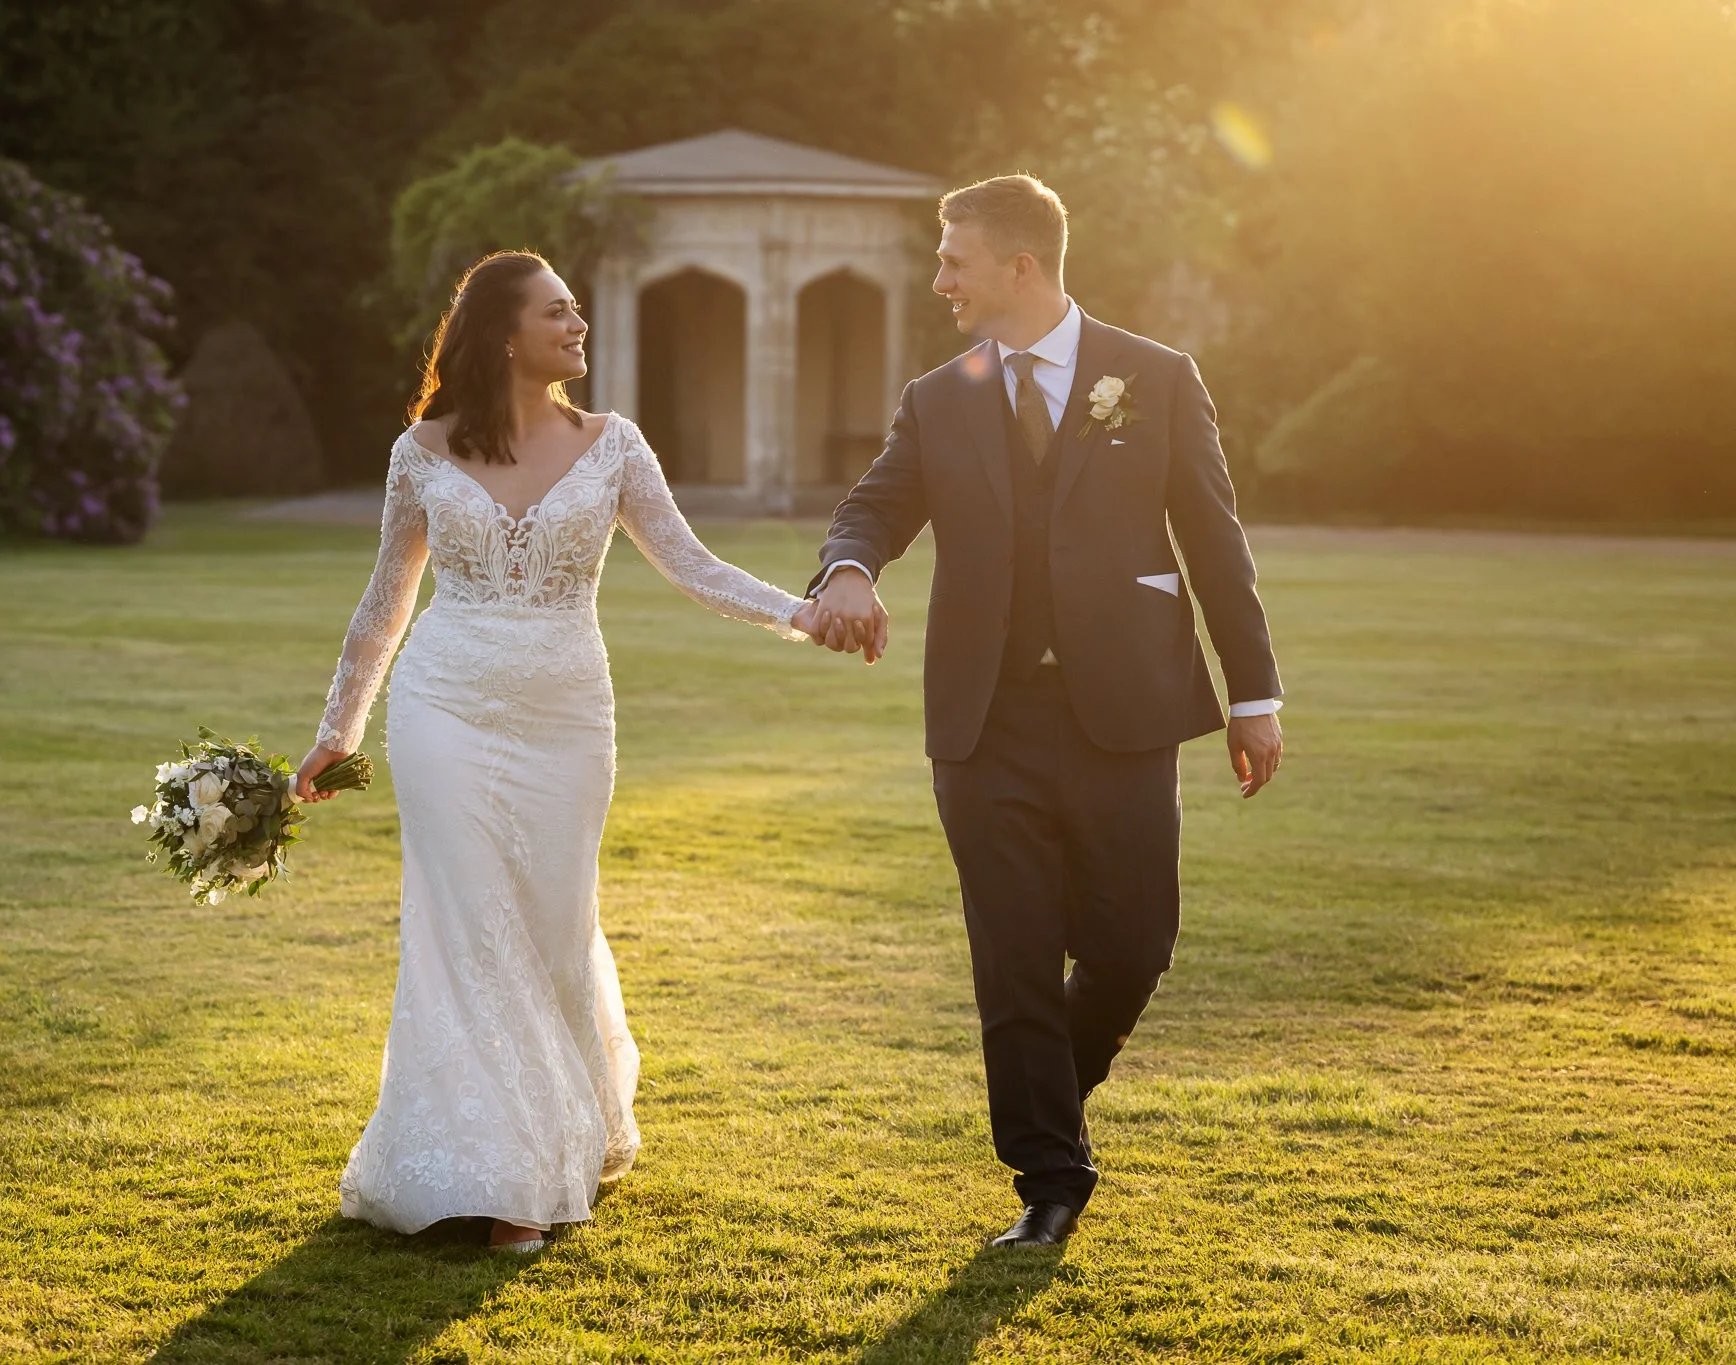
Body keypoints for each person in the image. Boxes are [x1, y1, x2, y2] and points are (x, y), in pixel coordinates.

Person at [294, 251, 820, 1253]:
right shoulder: (422, 451)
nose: (579, 327)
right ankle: (503, 1182)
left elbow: (693, 566)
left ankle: (556, 1134)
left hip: (567, 718)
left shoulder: (612, 445)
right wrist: (338, 731)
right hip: (442, 705)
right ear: (502, 333)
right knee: (465, 925)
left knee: (547, 922)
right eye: (558, 313)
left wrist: (803, 616)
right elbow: (383, 604)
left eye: (577, 311)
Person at [806, 175, 1285, 1251]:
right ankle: (1048, 1180)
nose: (940, 282)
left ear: (1020, 266)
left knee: (1132, 944)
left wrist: (1252, 694)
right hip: (985, 721)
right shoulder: (941, 395)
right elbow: (878, 501)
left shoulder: (1154, 378)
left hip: (1125, 707)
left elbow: (1215, 542)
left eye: (953, 261)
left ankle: (1041, 1095)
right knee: (1012, 950)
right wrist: (846, 568)